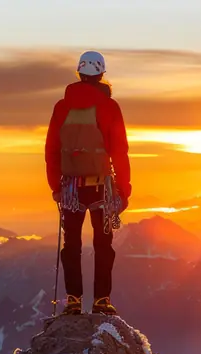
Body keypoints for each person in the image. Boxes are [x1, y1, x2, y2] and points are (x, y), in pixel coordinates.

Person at [45, 50, 131, 316]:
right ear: (102, 74)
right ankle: (101, 301)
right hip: (100, 186)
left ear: (79, 73)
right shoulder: (109, 107)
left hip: (70, 187)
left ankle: (73, 300)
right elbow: (119, 151)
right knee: (103, 244)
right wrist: (124, 190)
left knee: (71, 245)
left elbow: (52, 149)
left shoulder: (62, 107)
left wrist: (56, 187)